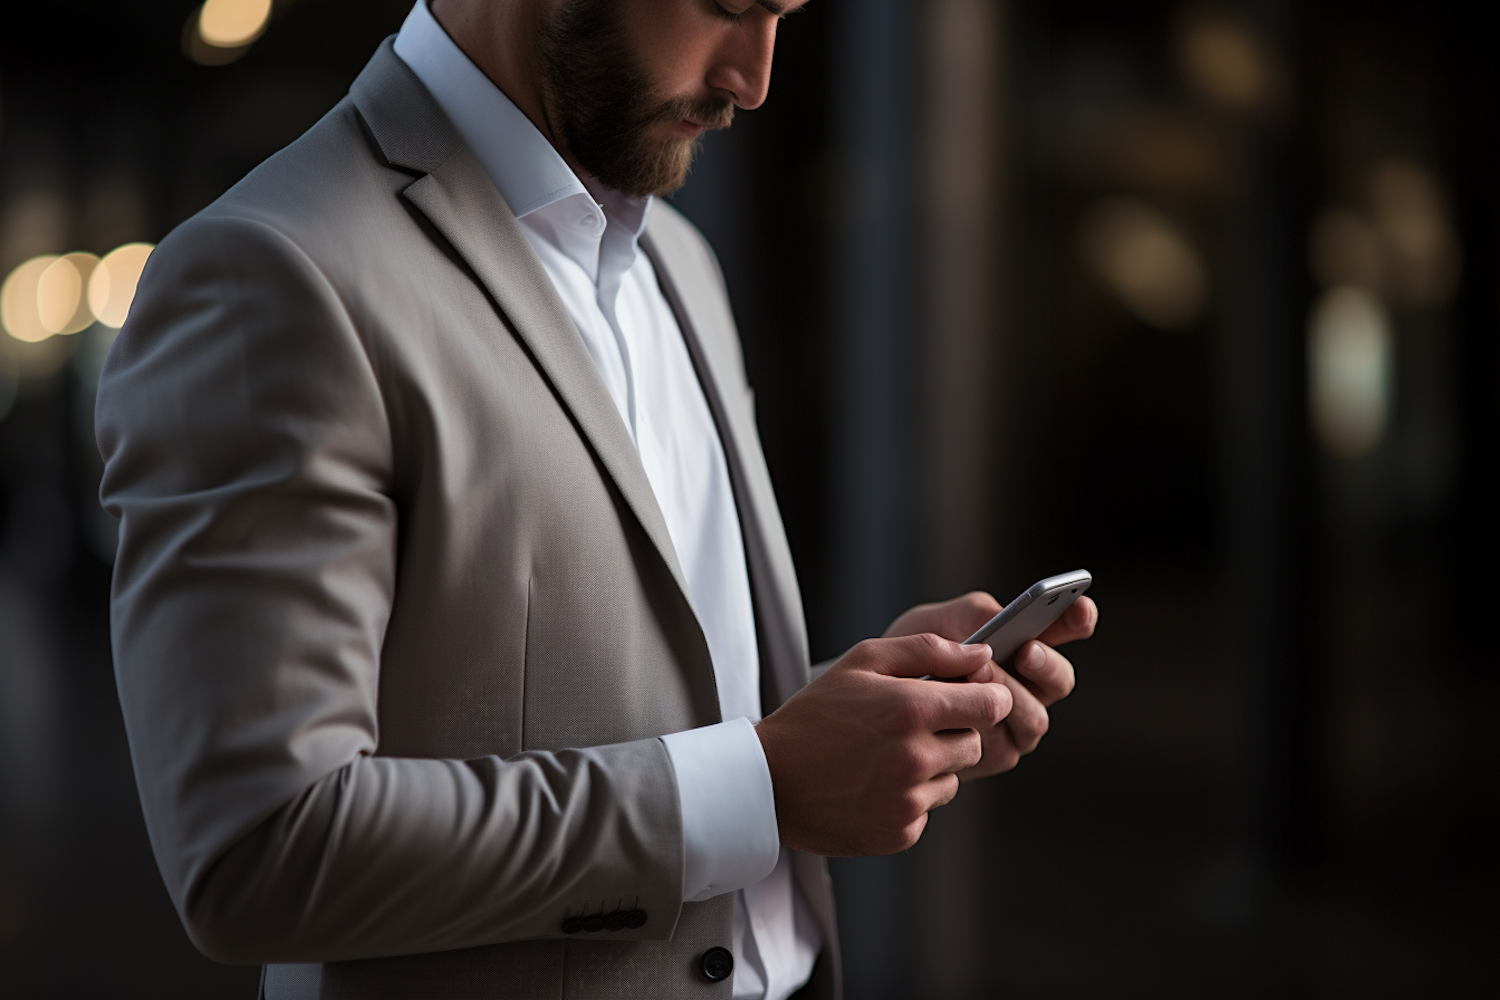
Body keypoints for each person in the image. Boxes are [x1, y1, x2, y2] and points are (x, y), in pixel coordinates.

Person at [95, 1, 1097, 997]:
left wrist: (862, 719)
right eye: (729, 7)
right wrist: (767, 783)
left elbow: (639, 713)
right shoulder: (271, 271)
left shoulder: (682, 266)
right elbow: (260, 851)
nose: (753, 78)